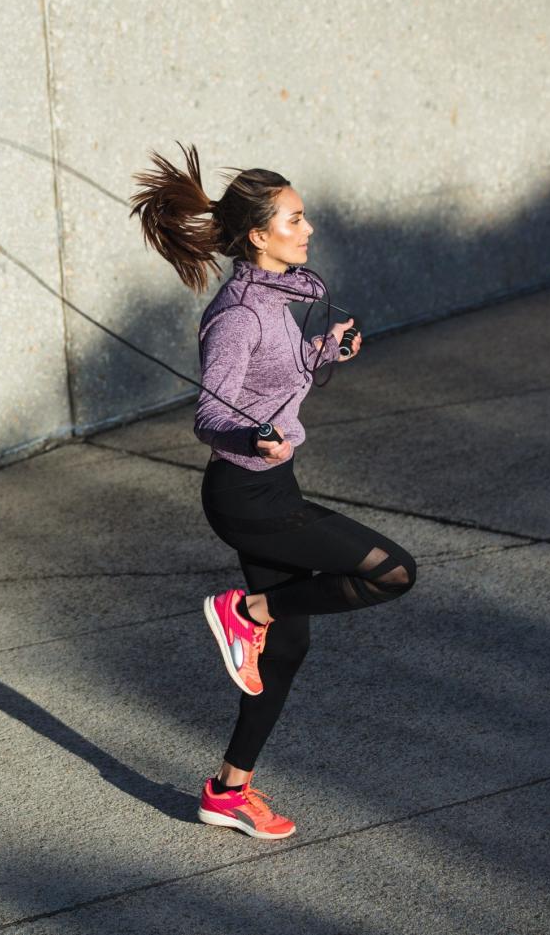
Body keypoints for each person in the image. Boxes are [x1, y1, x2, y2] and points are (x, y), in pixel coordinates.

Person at [130, 144, 417, 840]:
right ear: (259, 235)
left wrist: (327, 352)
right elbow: (211, 413)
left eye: (304, 215)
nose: (308, 227)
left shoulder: (291, 293)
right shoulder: (236, 314)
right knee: (392, 570)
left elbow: (283, 373)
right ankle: (246, 608)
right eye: (294, 218)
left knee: (286, 652)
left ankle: (228, 791)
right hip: (247, 496)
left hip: (271, 484)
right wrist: (251, 435)